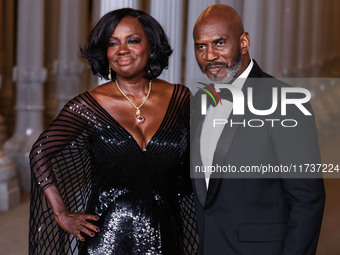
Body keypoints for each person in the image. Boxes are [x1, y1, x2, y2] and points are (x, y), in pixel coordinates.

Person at [29, 8, 198, 255]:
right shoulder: (87, 105)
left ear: (150, 45)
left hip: (166, 233)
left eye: (133, 40)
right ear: (105, 53)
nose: (122, 50)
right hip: (106, 238)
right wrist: (61, 212)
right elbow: (40, 152)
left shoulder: (180, 98)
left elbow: (197, 164)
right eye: (112, 43)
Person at [191, 4, 325, 255]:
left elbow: (307, 201)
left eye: (219, 43)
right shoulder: (201, 100)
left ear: (243, 42)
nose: (209, 55)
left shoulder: (286, 101)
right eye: (201, 46)